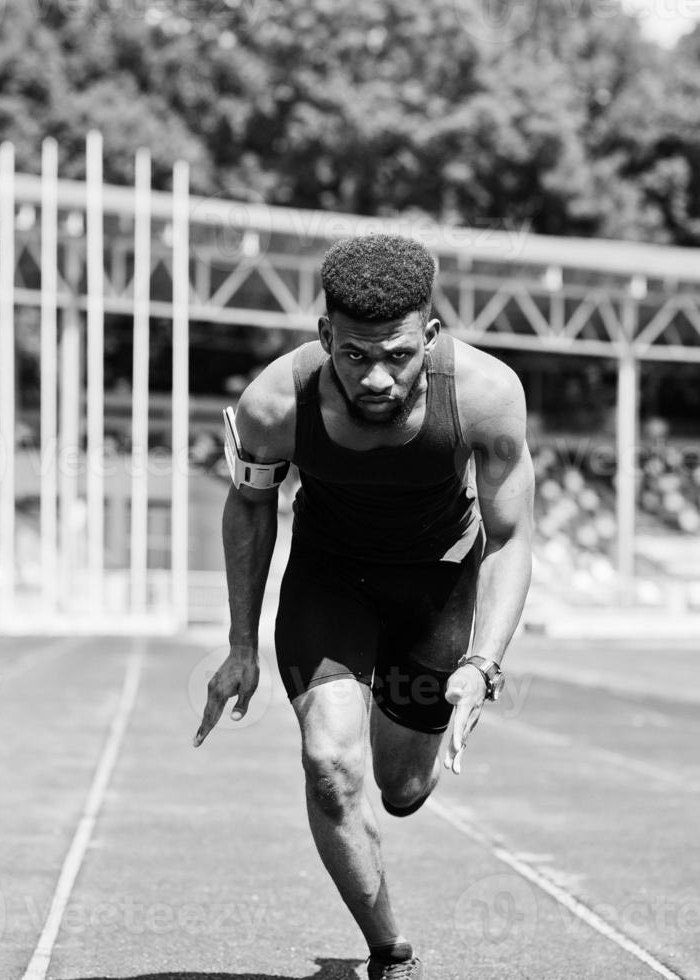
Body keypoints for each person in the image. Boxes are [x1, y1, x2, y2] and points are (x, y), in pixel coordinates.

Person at [193, 234, 535, 979]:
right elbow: (250, 508)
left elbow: (510, 539)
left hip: (436, 585)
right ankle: (389, 953)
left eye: (399, 355)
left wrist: (482, 664)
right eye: (354, 356)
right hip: (329, 580)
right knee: (328, 764)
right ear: (325, 338)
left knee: (403, 791)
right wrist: (240, 644)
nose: (377, 376)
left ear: (431, 337)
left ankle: (391, 702)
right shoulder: (273, 402)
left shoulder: (485, 394)